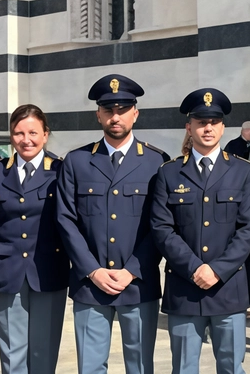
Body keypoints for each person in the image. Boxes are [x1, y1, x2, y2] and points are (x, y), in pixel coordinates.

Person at [57, 74, 169, 374]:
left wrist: (131, 269)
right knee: (90, 367)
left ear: (136, 112)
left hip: (137, 282)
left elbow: (160, 225)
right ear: (98, 114)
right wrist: (92, 270)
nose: (115, 117)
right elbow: (66, 220)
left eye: (122, 109)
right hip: (90, 285)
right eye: (108, 110)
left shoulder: (156, 162)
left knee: (140, 366)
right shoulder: (77, 161)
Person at [151, 88, 250, 374]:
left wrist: (217, 270)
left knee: (231, 367)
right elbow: (162, 229)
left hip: (229, 288)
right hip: (185, 288)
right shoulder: (169, 173)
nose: (207, 128)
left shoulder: (244, 172)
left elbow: (247, 230)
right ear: (189, 127)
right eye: (200, 121)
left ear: (223, 127)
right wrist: (195, 268)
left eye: (214, 122)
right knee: (184, 368)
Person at [0, 105, 69, 374]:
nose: (26, 139)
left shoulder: (61, 170)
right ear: (11, 136)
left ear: (45, 134)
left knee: (43, 350)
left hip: (48, 269)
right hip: (8, 270)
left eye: (33, 132)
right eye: (18, 133)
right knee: (12, 351)